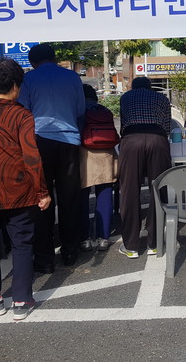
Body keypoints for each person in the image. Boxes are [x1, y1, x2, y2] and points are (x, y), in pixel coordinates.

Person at [0, 57, 51, 321]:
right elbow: (31, 156)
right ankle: (22, 300)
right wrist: (42, 192)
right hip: (18, 190)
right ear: (16, 85)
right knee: (22, 243)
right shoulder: (22, 115)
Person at [18, 43, 86, 272]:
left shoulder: (29, 79)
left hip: (39, 141)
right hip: (69, 142)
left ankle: (44, 259)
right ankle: (70, 253)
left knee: (41, 199)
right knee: (70, 199)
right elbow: (80, 110)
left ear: (32, 62)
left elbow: (23, 111)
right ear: (55, 58)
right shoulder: (72, 77)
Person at [118, 77, 171, 258]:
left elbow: (123, 125)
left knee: (129, 191)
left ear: (133, 87)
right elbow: (166, 127)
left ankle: (131, 246)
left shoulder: (125, 98)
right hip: (157, 139)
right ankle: (154, 243)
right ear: (150, 87)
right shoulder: (162, 98)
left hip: (132, 140)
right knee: (158, 188)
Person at [78, 84, 118, 252]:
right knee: (105, 195)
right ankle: (104, 238)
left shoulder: (79, 111)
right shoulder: (104, 110)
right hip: (106, 155)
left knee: (82, 198)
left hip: (84, 155)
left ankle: (85, 239)